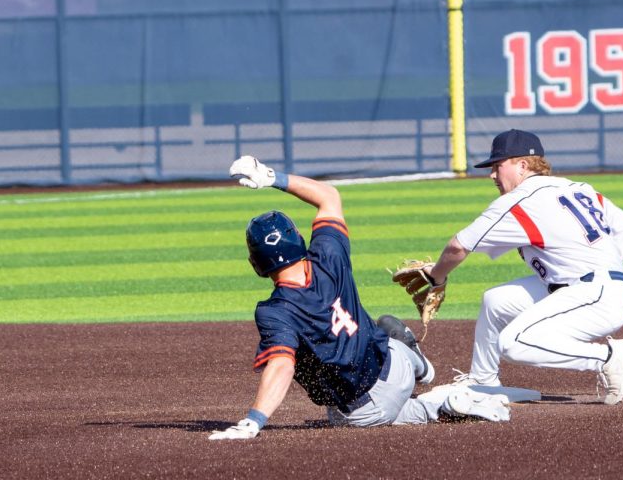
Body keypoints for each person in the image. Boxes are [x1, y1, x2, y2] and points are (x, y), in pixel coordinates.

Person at [209, 156, 510, 440]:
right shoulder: (329, 254)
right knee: (383, 332)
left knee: (341, 416)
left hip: (367, 410)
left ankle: (439, 406)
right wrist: (272, 177)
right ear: (298, 240)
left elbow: (282, 365)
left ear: (256, 265)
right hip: (395, 365)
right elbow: (329, 196)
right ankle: (416, 361)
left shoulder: (275, 312)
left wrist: (254, 420)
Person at [421, 129, 623, 405]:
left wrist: (436, 277)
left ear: (522, 165)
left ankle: (607, 358)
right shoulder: (578, 189)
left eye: (498, 166)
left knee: (512, 343)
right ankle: (482, 381)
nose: (492, 175)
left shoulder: (519, 202)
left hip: (594, 298)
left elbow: (458, 247)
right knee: (496, 301)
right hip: (591, 288)